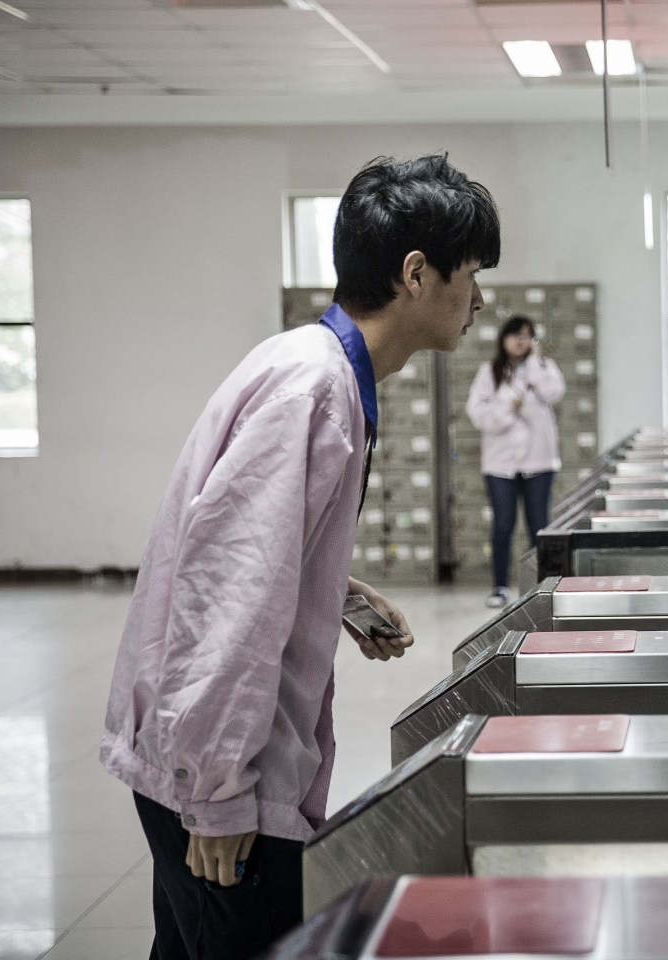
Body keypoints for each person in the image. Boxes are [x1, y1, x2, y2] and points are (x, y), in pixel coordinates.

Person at [101, 154, 500, 960]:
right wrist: (218, 797)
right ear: (416, 274)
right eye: (471, 276)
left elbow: (254, 552)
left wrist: (333, 591)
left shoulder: (314, 367)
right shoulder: (313, 391)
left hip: (208, 765)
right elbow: (226, 596)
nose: (480, 301)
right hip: (222, 787)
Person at [465, 314, 566, 607]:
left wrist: (534, 363)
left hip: (539, 462)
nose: (521, 341)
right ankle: (500, 586)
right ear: (503, 339)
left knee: (539, 527)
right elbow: (478, 414)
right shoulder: (489, 372)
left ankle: (543, 586)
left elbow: (553, 393)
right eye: (515, 335)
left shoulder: (545, 368)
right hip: (500, 465)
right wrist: (509, 407)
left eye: (527, 336)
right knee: (503, 526)